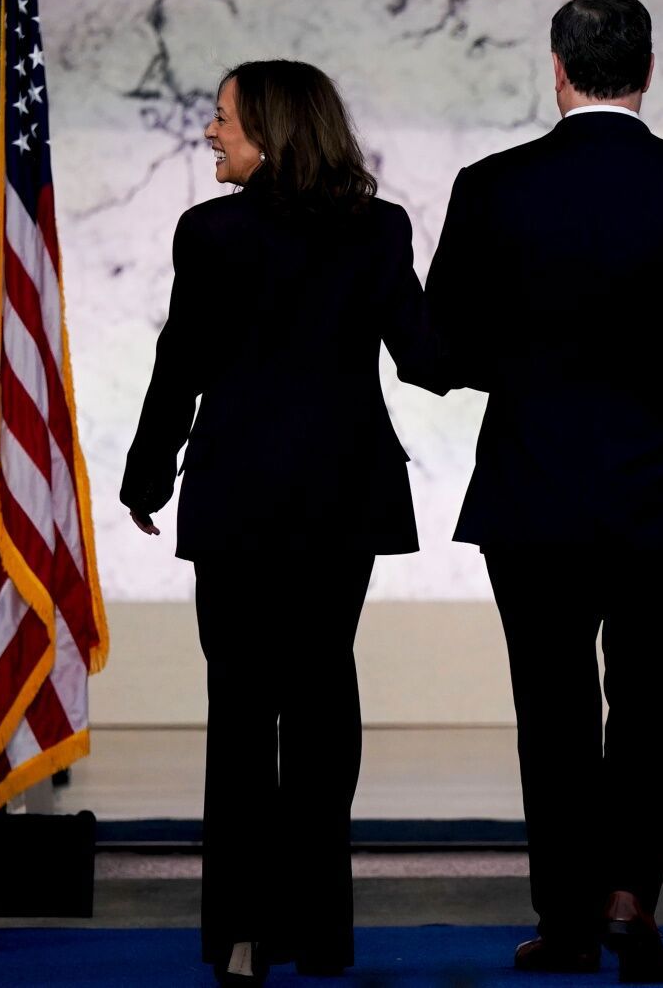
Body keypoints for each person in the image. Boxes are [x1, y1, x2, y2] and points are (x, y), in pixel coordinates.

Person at [427, 0, 663, 984]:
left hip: (532, 490)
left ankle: (567, 919)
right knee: (656, 697)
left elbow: (442, 345)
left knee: (552, 706)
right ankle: (631, 890)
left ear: (557, 67)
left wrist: (511, 353)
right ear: (645, 70)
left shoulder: (492, 185)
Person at [122, 60, 444, 986]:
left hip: (238, 501)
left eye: (223, 118)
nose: (212, 133)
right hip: (344, 498)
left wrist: (146, 477)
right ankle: (324, 932)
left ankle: (242, 934)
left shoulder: (211, 231)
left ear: (270, 129)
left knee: (241, 709)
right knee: (320, 701)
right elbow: (423, 356)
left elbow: (179, 363)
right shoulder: (378, 229)